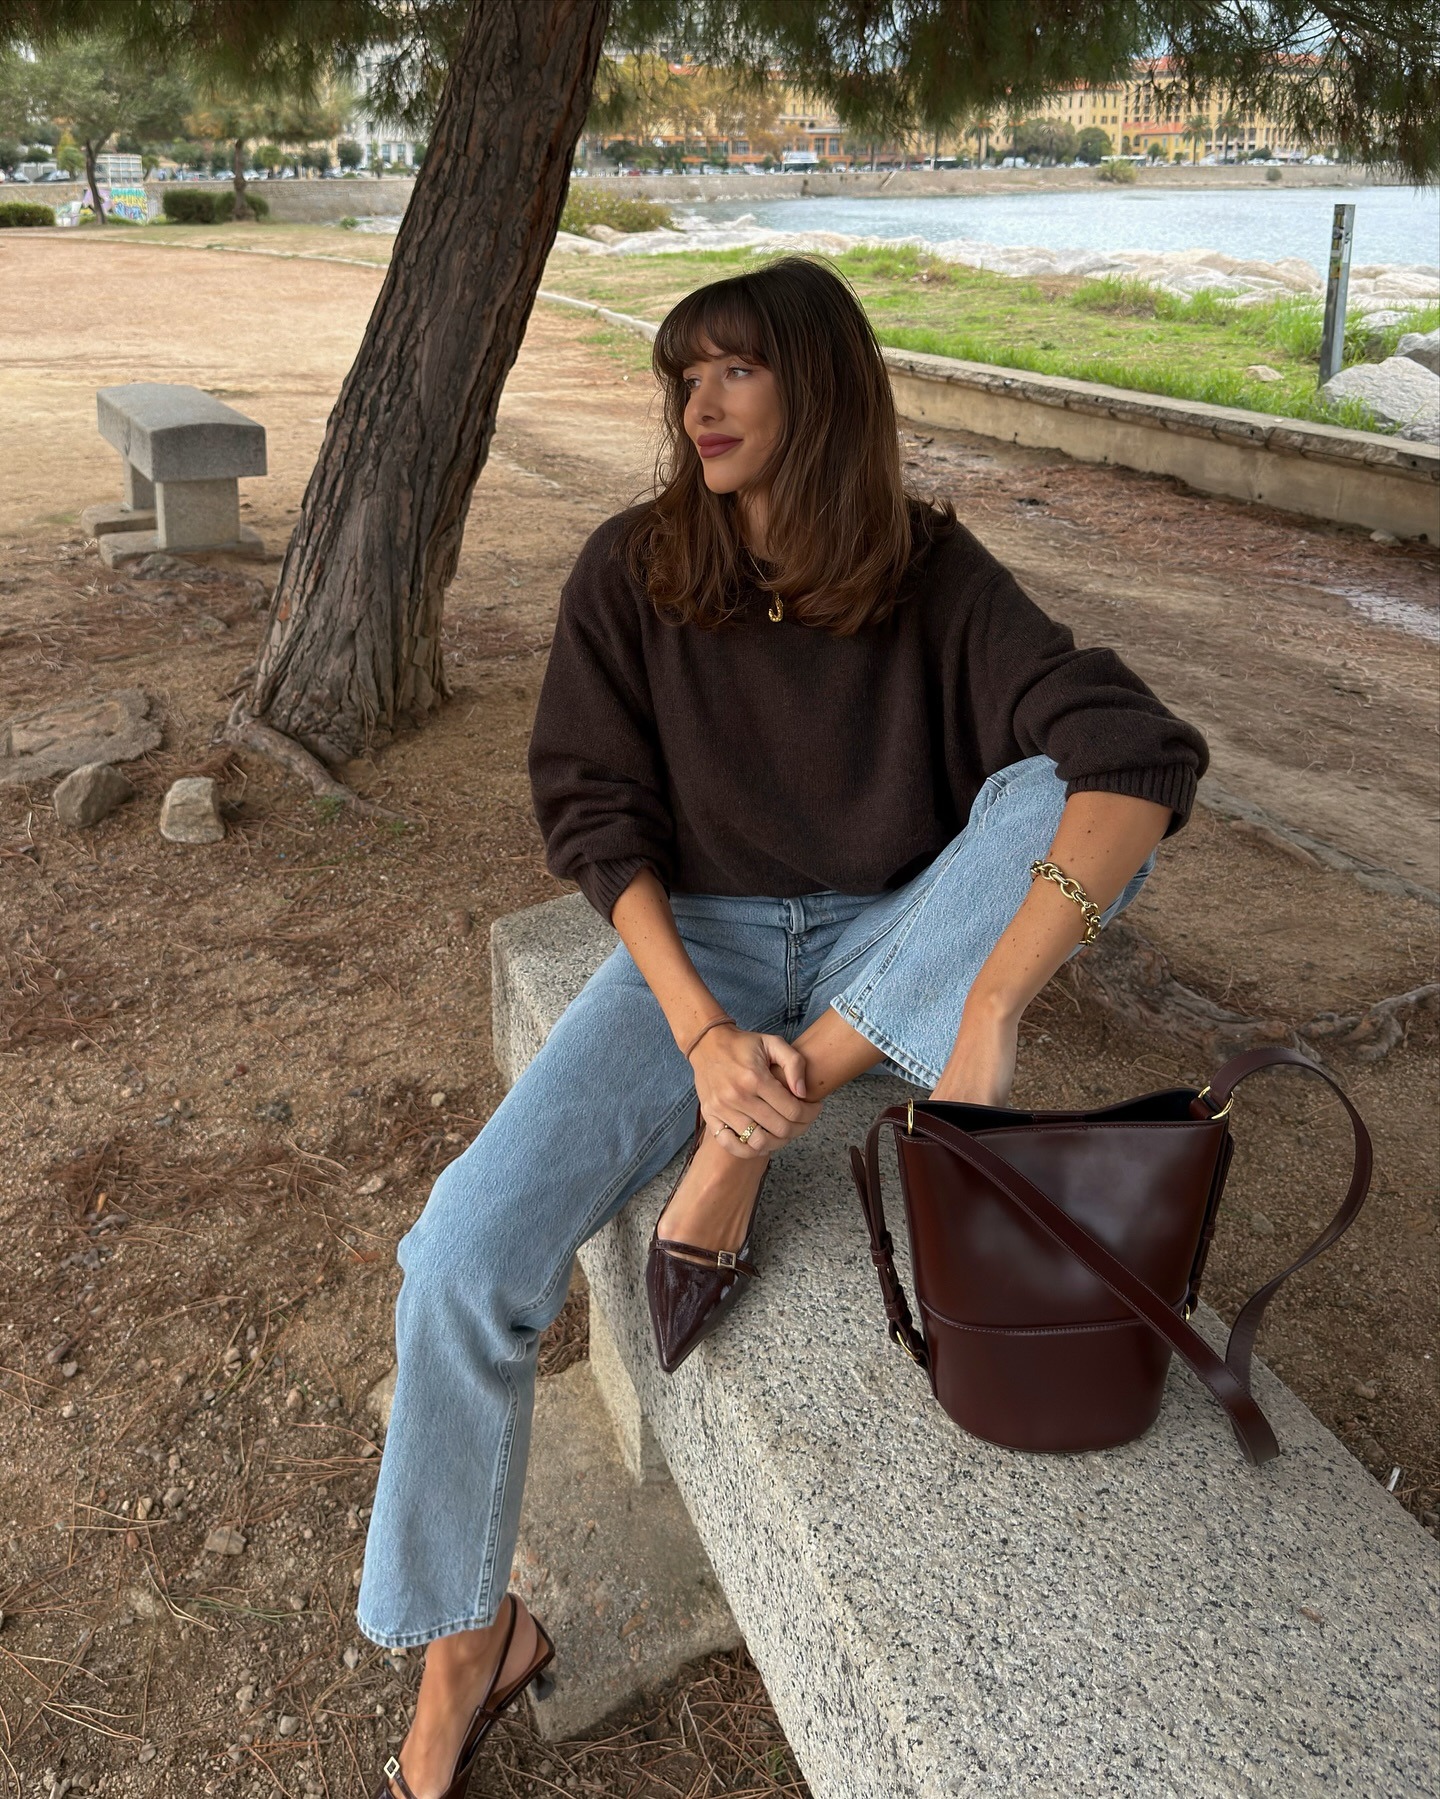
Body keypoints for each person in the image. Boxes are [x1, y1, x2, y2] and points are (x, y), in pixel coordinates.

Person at [362, 254, 1208, 1798]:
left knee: (1052, 790)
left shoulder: (933, 572)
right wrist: (697, 1037)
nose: (698, 400)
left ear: (817, 387)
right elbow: (593, 815)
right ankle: (468, 1643)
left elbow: (1136, 754)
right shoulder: (633, 569)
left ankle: (772, 1119)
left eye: (737, 367)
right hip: (705, 953)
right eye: (684, 372)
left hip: (893, 949)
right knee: (460, 1257)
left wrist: (989, 1007)